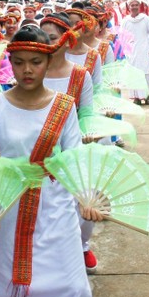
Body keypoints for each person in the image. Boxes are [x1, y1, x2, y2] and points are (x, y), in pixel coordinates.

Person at [0, 25, 108, 297]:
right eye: (19, 63)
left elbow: (74, 158)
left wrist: (86, 198)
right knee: (17, 283)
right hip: (11, 206)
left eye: (36, 61)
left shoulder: (63, 105)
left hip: (55, 203)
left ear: (48, 60)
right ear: (10, 65)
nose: (28, 70)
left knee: (73, 285)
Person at [38, 14, 99, 273]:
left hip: (73, 146)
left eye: (51, 38)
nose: (47, 44)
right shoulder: (32, 72)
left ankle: (82, 245)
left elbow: (86, 113)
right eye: (42, 39)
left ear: (66, 38)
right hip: (38, 149)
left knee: (82, 202)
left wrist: (86, 134)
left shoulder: (79, 75)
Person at [119, 0, 149, 103]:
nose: (134, 7)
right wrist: (123, 51)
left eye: (136, 5)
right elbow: (122, 37)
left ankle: (145, 96)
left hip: (145, 50)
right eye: (132, 5)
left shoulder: (146, 19)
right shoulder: (125, 21)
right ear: (129, 7)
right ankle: (136, 97)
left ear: (139, 6)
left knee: (145, 74)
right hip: (130, 52)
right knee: (133, 74)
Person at [66, 8, 103, 90]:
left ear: (86, 26)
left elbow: (97, 86)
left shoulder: (94, 55)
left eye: (77, 24)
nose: (73, 28)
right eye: (69, 24)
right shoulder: (57, 52)